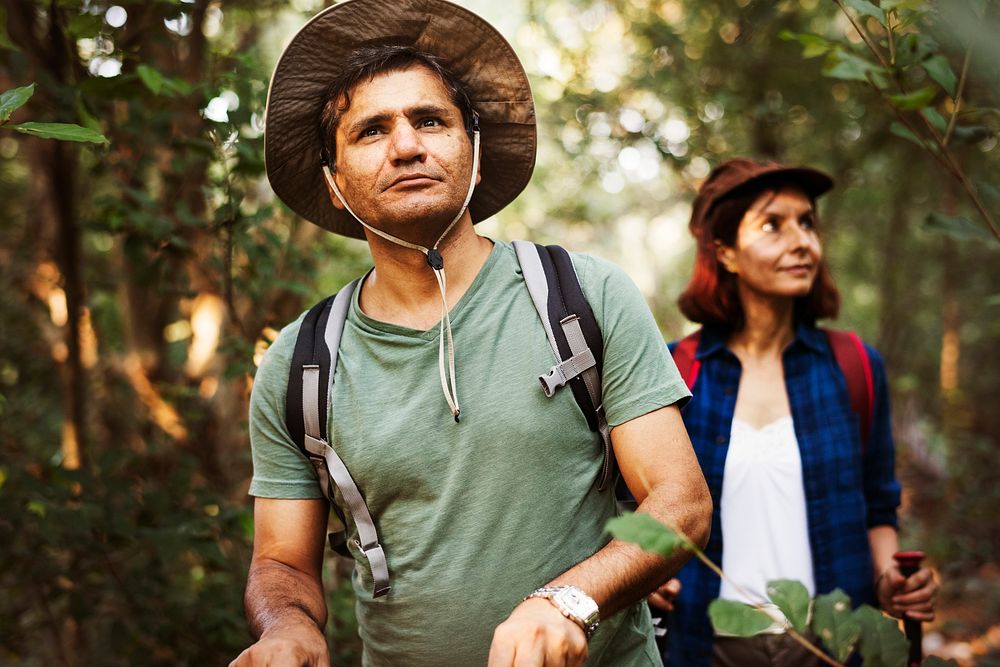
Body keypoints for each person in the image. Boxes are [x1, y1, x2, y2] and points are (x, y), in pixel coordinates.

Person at [230, 1, 712, 666]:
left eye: (430, 120)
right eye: (372, 130)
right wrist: (287, 626)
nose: (406, 145)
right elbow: (283, 559)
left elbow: (681, 502)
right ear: (335, 185)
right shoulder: (300, 364)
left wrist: (571, 599)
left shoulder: (584, 296)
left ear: (476, 156)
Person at [654, 158, 938, 666]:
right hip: (706, 642)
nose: (802, 240)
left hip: (834, 643)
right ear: (725, 252)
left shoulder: (854, 365)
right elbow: (645, 506)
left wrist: (890, 579)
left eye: (807, 222)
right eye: (773, 225)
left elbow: (878, 502)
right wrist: (650, 577)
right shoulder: (678, 371)